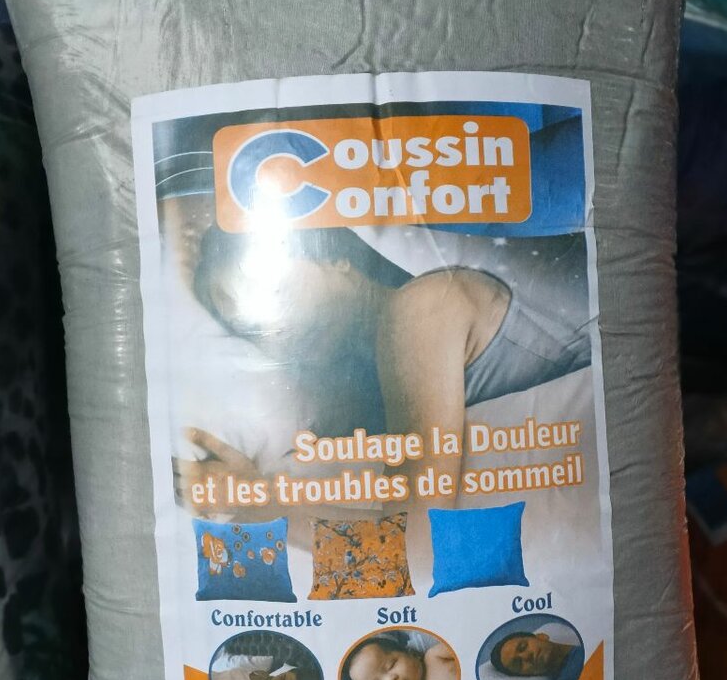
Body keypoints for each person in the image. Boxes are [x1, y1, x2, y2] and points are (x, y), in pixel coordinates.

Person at [174, 219, 591, 512]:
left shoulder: (422, 310)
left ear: (333, 255)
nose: (269, 327)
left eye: (269, 288)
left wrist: (259, 502)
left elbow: (412, 549)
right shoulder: (356, 415)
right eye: (245, 326)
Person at [488, 626, 583, 680]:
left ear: (542, 636)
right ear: (524, 675)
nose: (526, 656)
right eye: (518, 664)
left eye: (523, 647)